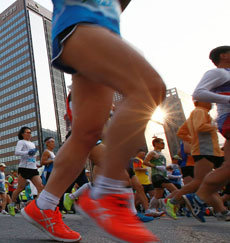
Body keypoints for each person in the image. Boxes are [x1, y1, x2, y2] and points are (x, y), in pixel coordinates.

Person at [22, 0, 165, 242]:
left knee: (87, 133)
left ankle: (45, 205)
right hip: (79, 23)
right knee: (149, 89)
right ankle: (107, 194)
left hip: (99, 29)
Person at [191, 45, 230, 221]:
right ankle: (196, 197)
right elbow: (198, 93)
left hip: (212, 147)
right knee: (201, 179)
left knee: (227, 169)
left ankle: (201, 199)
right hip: (204, 149)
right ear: (223, 55)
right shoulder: (220, 73)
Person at [8, 127, 44, 216]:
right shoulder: (21, 142)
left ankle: (36, 207)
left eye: (30, 132)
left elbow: (32, 157)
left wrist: (37, 164)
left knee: (40, 187)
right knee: (20, 188)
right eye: (27, 132)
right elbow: (16, 152)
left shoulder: (32, 144)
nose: (29, 134)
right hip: (24, 168)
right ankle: (11, 205)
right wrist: (28, 152)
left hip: (33, 168)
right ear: (22, 134)